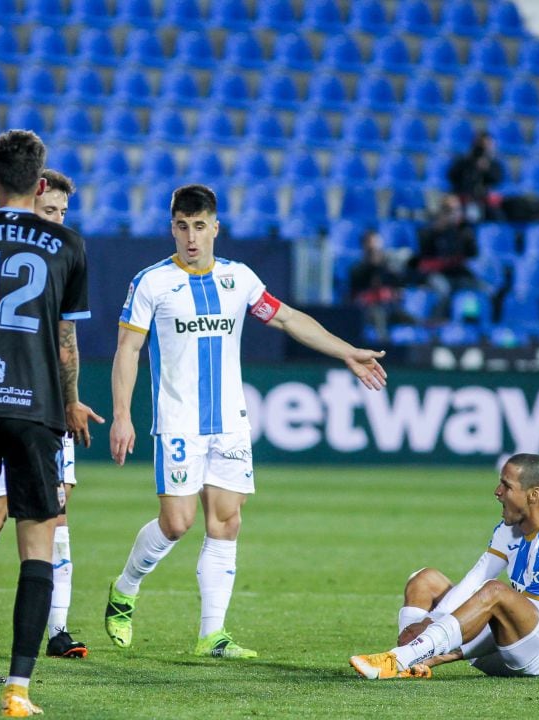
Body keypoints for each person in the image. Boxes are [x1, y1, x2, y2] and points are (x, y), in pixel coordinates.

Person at [105, 184, 388, 659]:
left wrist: (347, 353)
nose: (191, 237)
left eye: (199, 226)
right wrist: (121, 415)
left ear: (216, 227)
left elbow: (288, 320)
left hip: (230, 423)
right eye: (181, 227)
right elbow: (128, 349)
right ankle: (124, 589)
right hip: (178, 422)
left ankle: (211, 635)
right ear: (171, 228)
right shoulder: (151, 282)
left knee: (227, 520)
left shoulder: (239, 279)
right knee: (176, 524)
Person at [0, 129, 102, 716]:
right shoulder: (67, 244)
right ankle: (18, 690)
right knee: (38, 546)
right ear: (39, 182)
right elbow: (65, 344)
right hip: (34, 411)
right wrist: (69, 403)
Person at [0, 169, 91, 666]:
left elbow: (68, 339)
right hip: (2, 397)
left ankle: (58, 629)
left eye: (64, 214)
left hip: (47, 405)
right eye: (50, 212)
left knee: (56, 512)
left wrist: (72, 399)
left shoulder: (66, 256)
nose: (58, 221)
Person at [349, 453, 539, 680]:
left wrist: (444, 651)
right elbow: (477, 575)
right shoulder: (511, 529)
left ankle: (401, 659)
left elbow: (522, 617)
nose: (497, 491)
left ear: (534, 495)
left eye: (507, 486)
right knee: (424, 580)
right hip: (509, 647)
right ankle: (414, 663)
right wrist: (432, 622)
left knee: (495, 593)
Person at [414, 194, 485, 320]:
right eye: (448, 210)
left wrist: (467, 237)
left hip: (457, 274)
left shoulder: (463, 232)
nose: (453, 214)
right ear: (441, 212)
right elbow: (423, 261)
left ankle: (478, 327)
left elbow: (473, 254)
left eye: (456, 210)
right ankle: (437, 323)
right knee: (443, 290)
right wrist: (439, 232)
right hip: (436, 274)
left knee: (484, 289)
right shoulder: (429, 233)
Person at [348, 229, 415, 341]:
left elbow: (398, 287)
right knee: (378, 314)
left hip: (390, 307)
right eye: (371, 247)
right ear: (364, 247)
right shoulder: (357, 270)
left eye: (377, 246)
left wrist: (392, 293)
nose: (375, 250)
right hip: (368, 310)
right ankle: (385, 348)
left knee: (409, 318)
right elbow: (355, 296)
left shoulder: (388, 267)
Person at [448, 130, 505, 223]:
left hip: (484, 200)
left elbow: (497, 180)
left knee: (497, 216)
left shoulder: (493, 163)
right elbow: (453, 176)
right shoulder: (464, 160)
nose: (485, 148)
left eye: (488, 144)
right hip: (465, 198)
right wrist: (470, 163)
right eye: (482, 144)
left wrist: (487, 170)